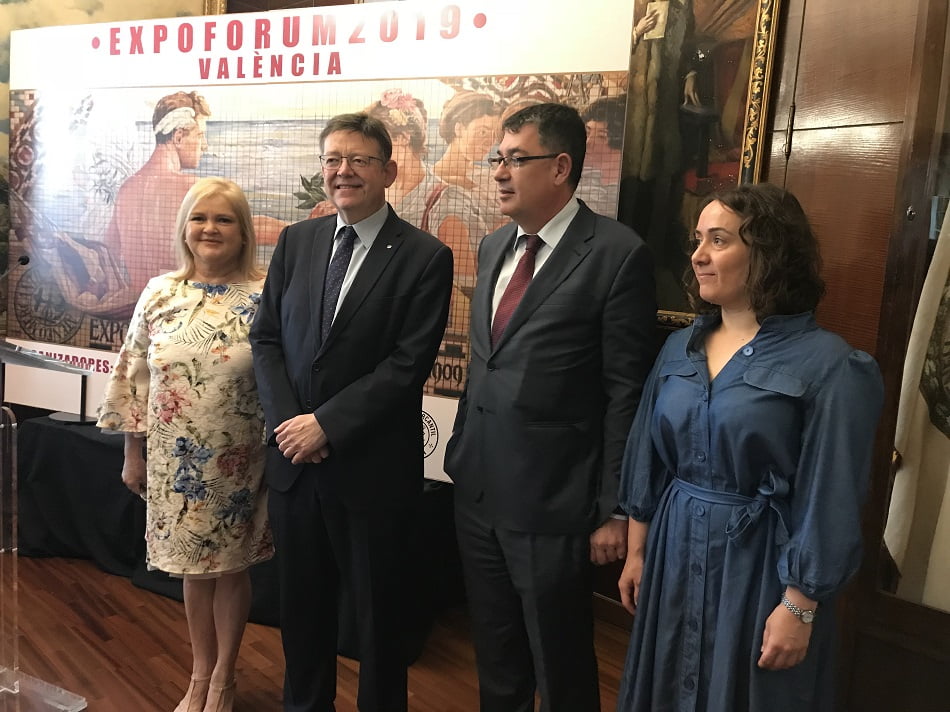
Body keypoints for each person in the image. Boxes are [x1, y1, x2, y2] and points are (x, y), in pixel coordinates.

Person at [616, 183, 884, 712]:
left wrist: (800, 604)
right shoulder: (679, 347)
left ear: (767, 252)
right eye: (697, 240)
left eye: (718, 240)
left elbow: (831, 496)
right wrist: (637, 551)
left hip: (762, 565)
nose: (698, 255)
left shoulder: (831, 365)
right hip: (673, 549)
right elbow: (647, 457)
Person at [443, 103, 657, 711]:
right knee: (497, 657)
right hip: (478, 489)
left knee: (560, 663)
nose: (499, 172)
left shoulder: (616, 253)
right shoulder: (493, 247)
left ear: (561, 167)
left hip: (555, 501)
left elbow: (626, 394)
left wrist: (615, 509)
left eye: (516, 159)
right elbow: (488, 364)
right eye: (498, 158)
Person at [249, 112, 453, 712]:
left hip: (370, 471)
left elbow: (407, 363)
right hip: (295, 466)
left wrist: (326, 425)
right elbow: (266, 339)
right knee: (301, 612)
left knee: (378, 621)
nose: (344, 171)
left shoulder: (425, 256)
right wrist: (291, 426)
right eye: (333, 159)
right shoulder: (298, 241)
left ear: (389, 171)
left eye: (360, 160)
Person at [97, 176, 273, 712]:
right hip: (175, 464)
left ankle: (224, 680)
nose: (209, 229)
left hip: (241, 463)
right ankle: (199, 675)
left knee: (231, 568)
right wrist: (132, 454)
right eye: (199, 218)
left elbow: (283, 378)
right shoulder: (159, 292)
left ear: (243, 232)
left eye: (223, 219)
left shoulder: (267, 295)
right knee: (193, 569)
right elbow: (132, 376)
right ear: (184, 228)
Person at [433, 90, 503, 230]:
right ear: (459, 129)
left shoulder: (492, 178)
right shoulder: (428, 178)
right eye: (482, 132)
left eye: (494, 134)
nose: (490, 142)